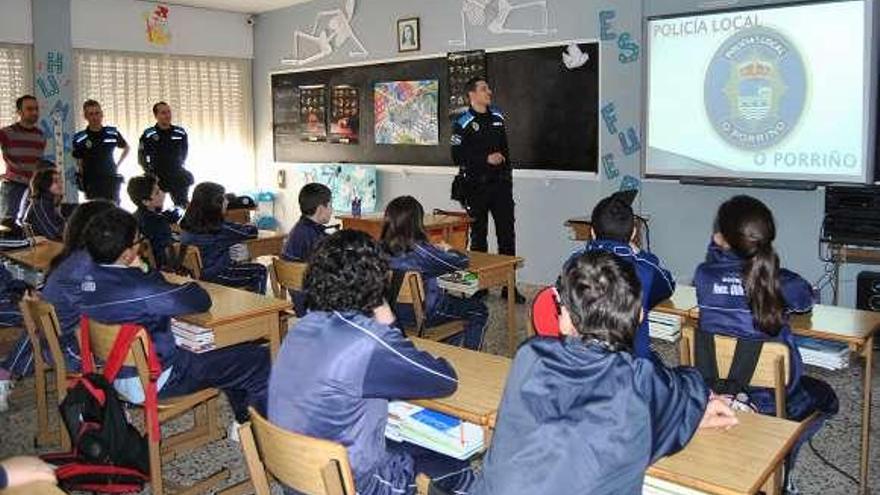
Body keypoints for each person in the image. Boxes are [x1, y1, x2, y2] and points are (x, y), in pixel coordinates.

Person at [470, 251, 737, 494]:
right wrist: (694, 407)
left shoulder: (529, 357)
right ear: (640, 315)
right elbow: (687, 385)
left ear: (563, 319)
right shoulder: (641, 382)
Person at [268, 229, 474, 495]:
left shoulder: (301, 327)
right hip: (353, 485)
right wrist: (384, 313)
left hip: (296, 476)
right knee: (456, 465)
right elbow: (444, 380)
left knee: (406, 443)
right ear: (376, 281)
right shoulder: (366, 341)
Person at [80, 207, 270, 436]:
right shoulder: (141, 288)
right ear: (127, 253)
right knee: (258, 359)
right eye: (138, 241)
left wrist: (142, 269)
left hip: (114, 374)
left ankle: (243, 422)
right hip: (157, 377)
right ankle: (253, 433)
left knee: (226, 349)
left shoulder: (86, 279)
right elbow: (198, 299)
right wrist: (160, 274)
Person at [694, 195, 838, 491]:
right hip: (773, 401)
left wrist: (718, 249)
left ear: (720, 238)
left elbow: (718, 268)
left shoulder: (703, 276)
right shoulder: (780, 282)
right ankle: (782, 461)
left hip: (718, 392)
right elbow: (806, 299)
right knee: (825, 396)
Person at [0, 200, 116, 412]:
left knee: (38, 322)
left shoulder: (68, 258)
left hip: (52, 343)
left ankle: (5, 373)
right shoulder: (89, 265)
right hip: (71, 350)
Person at [566, 194, 675, 361]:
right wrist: (641, 254)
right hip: (633, 365)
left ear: (592, 233)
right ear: (633, 233)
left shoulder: (573, 263)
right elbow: (668, 286)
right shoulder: (646, 270)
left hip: (582, 361)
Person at [451, 77, 523, 303]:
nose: (489, 92)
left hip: (500, 187)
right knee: (479, 238)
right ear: (472, 95)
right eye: (484, 89)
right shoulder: (462, 122)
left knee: (507, 237)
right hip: (476, 187)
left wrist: (507, 178)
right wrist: (485, 159)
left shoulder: (498, 117)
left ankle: (509, 287)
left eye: (489, 88)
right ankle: (478, 285)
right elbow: (457, 156)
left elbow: (505, 151)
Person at [382, 196, 488, 350]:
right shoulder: (423, 251)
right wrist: (448, 249)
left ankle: (446, 352)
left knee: (461, 284)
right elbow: (462, 262)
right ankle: (470, 357)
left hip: (391, 314)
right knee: (479, 309)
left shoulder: (377, 249)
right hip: (425, 313)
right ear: (417, 222)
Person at [180, 182, 266, 293]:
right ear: (215, 204)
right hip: (217, 276)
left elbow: (229, 227)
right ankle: (259, 308)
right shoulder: (219, 229)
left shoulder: (187, 225)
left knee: (238, 258)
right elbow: (251, 233)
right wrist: (250, 226)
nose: (227, 201)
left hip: (196, 275)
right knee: (259, 271)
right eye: (224, 198)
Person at [281, 182, 332, 315]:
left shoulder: (300, 229)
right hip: (313, 303)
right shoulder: (315, 238)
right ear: (321, 209)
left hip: (299, 298)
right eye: (331, 205)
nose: (332, 210)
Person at [0, 95, 46, 226]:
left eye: (36, 109)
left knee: (28, 228)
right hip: (12, 188)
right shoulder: (6, 133)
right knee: (7, 227)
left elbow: (37, 163)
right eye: (30, 109)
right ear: (19, 112)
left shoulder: (40, 136)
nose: (34, 112)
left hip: (32, 188)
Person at [71, 100, 129, 203]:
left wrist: (118, 164)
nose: (95, 117)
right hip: (91, 182)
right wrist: (82, 179)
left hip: (110, 179)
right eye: (91, 114)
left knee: (113, 212)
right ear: (85, 116)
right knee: (95, 213)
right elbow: (79, 162)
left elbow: (126, 148)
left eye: (97, 113)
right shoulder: (80, 138)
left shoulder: (112, 133)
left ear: (102, 114)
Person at [138, 102, 193, 207]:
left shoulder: (180, 132)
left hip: (177, 174)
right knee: (154, 207)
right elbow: (141, 157)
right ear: (156, 116)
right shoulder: (149, 134)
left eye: (169, 112)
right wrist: (150, 173)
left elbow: (184, 152)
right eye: (163, 113)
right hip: (157, 176)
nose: (167, 115)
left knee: (182, 206)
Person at [127, 174, 177, 270]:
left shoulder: (132, 219)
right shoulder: (159, 222)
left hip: (140, 267)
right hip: (160, 270)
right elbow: (167, 257)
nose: (163, 193)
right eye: (157, 192)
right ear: (146, 202)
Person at [23, 168, 65, 241]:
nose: (60, 184)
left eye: (61, 181)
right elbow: (53, 233)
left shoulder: (49, 202)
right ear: (46, 184)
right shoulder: (40, 205)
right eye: (56, 181)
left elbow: (62, 226)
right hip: (42, 248)